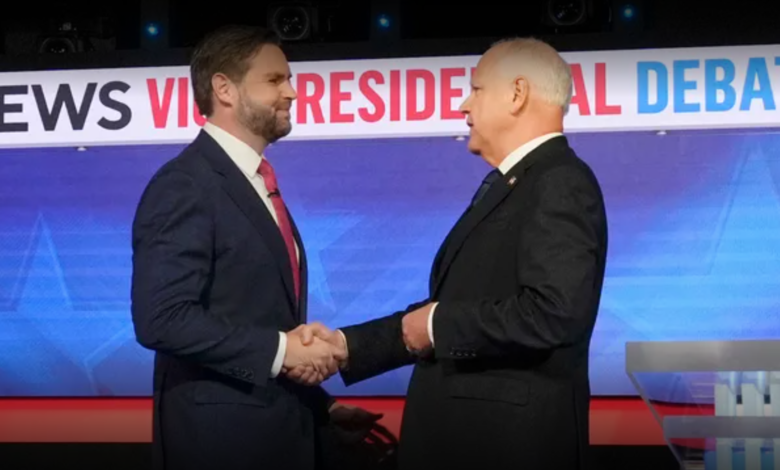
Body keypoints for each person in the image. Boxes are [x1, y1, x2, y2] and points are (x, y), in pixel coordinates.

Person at [293, 37, 608, 469]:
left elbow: (554, 313)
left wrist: (438, 324)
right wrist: (349, 346)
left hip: (506, 448)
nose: (463, 105)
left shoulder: (558, 183)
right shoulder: (519, 184)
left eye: (476, 89)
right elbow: (457, 306)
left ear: (517, 94)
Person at [130, 24, 378, 470]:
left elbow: (255, 320)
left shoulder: (255, 182)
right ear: (224, 89)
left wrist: (321, 407)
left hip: (277, 434)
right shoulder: (185, 185)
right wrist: (284, 352)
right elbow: (161, 319)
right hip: (219, 446)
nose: (293, 92)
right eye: (274, 79)